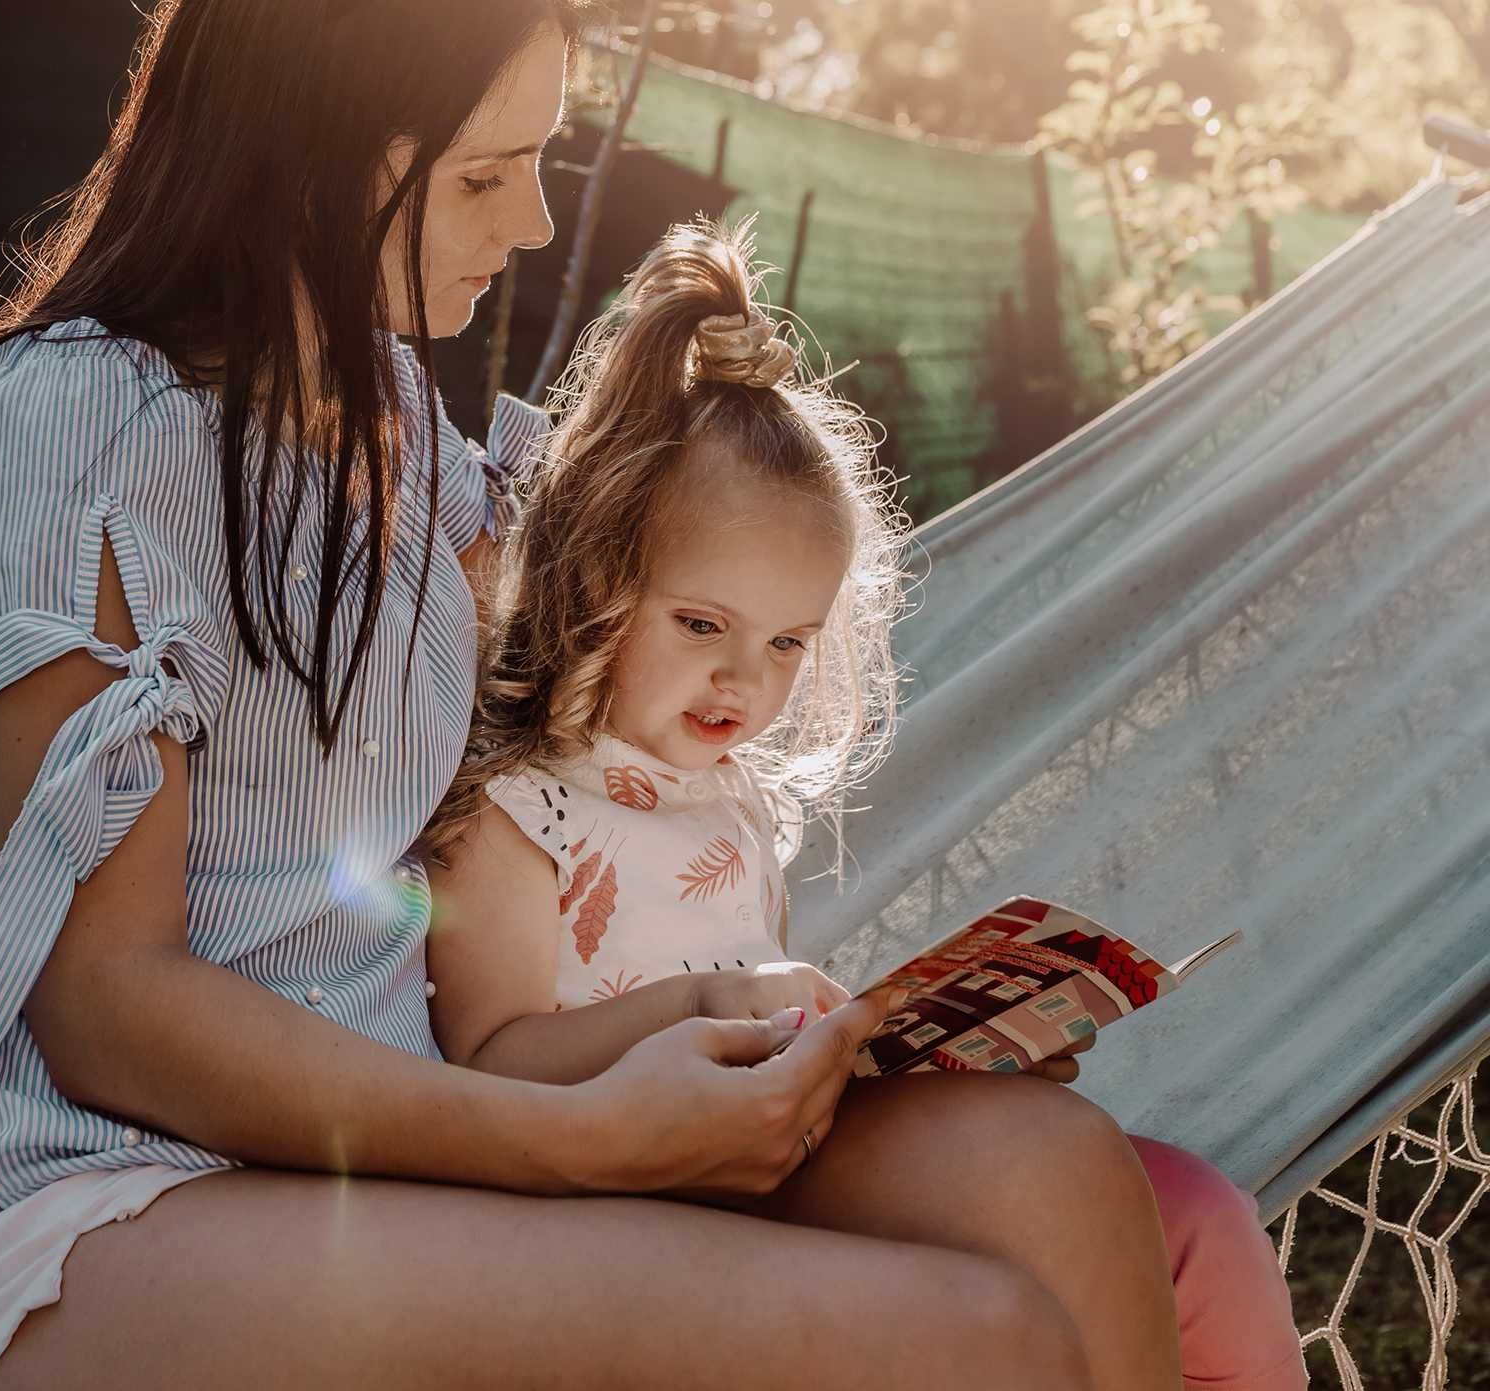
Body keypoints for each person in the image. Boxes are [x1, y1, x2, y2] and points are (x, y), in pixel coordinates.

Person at [0, 2, 1303, 1387]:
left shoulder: (386, 411)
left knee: (1052, 1170)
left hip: (400, 1133)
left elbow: (595, 688)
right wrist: (573, 1141)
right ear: (318, 162)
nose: (527, 224)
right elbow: (107, 1008)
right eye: (486, 177)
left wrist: (819, 1030)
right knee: (965, 1338)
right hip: (82, 1195)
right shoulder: (75, 426)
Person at [421, 220, 1311, 1391]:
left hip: (775, 1146)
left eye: (786, 640)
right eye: (702, 624)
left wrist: (917, 1058)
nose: (744, 679)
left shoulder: (726, 806)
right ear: (597, 576)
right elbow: (489, 1068)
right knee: (1056, 1182)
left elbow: (766, 1027)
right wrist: (697, 1003)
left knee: (1195, 1211)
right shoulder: (519, 811)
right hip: (644, 1178)